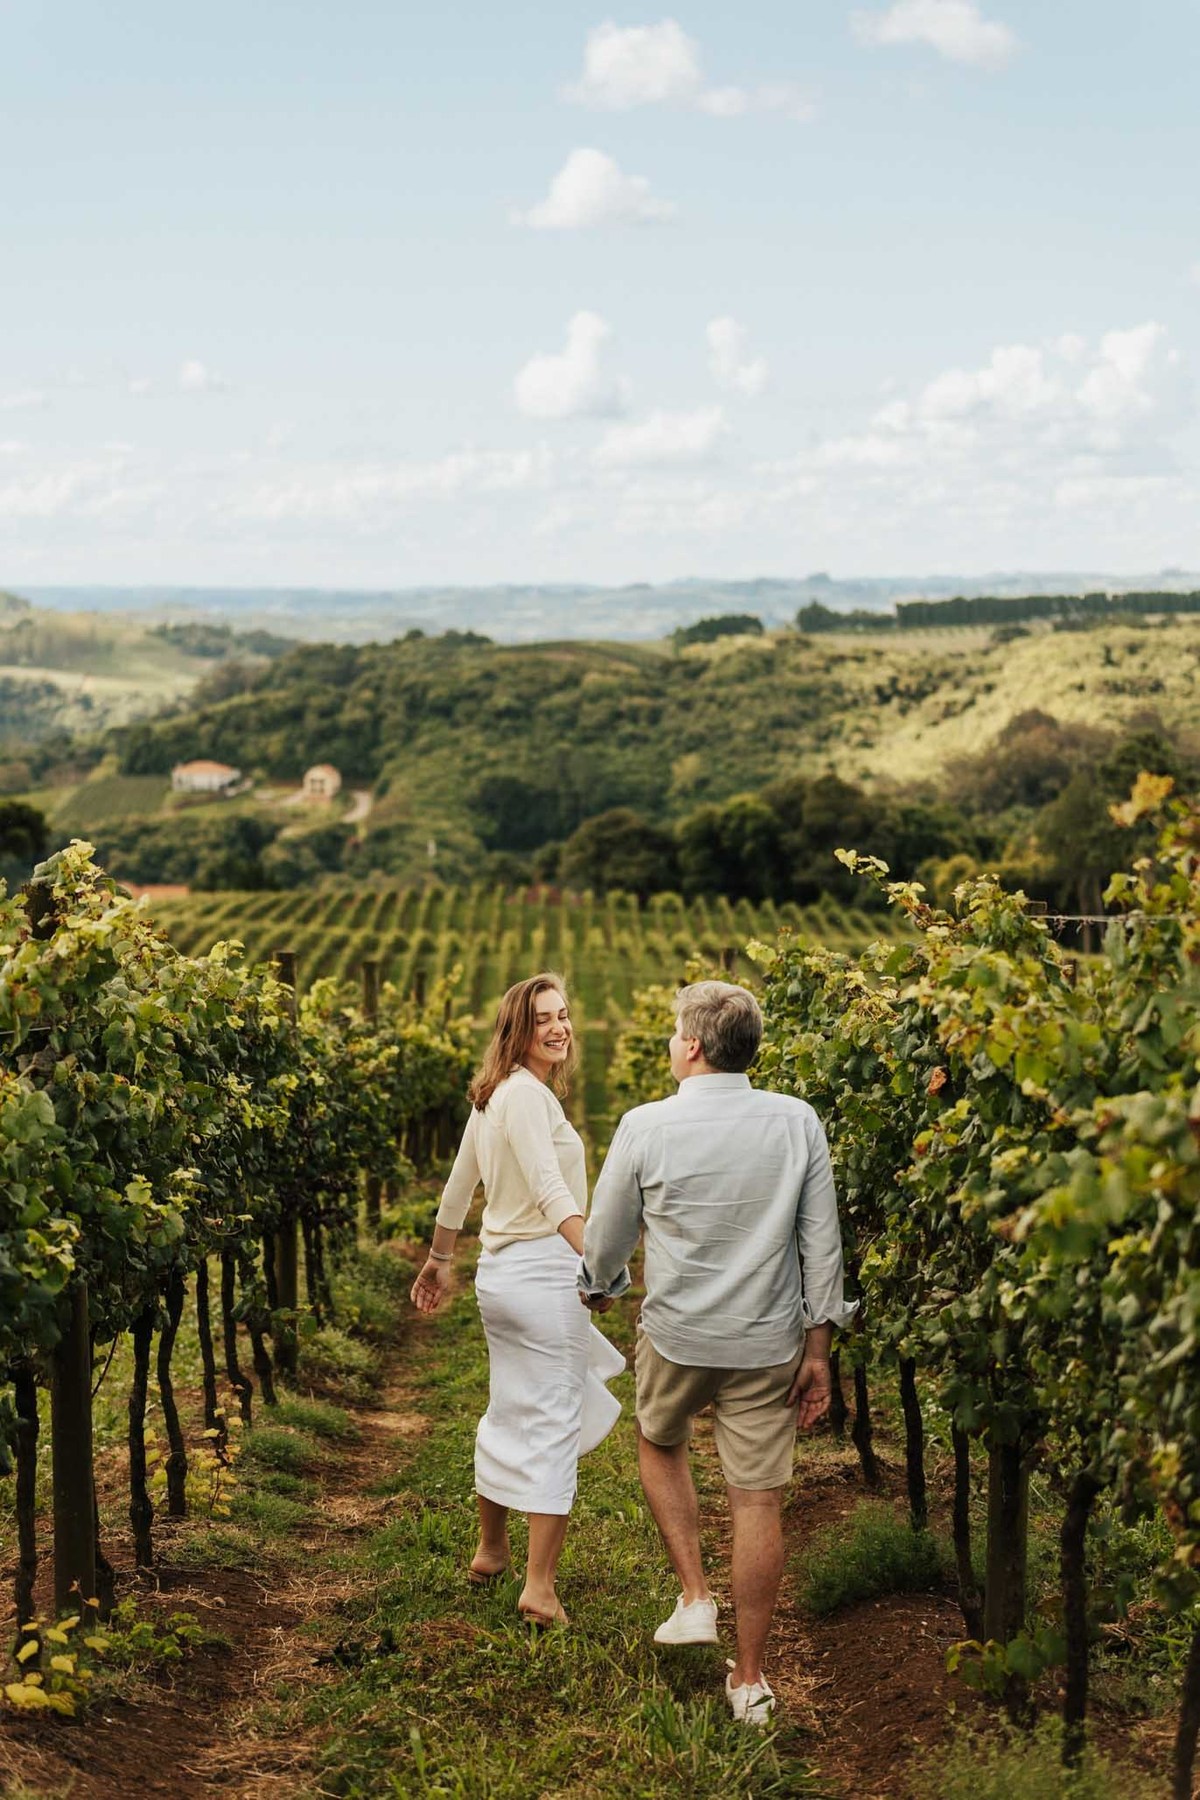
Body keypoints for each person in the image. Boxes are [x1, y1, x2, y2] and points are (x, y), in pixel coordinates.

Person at [579, 979, 856, 1725]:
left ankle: (696, 1595)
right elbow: (822, 1241)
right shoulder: (797, 1120)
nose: (672, 1044)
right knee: (758, 1500)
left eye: (676, 1034)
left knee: (658, 1438)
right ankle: (751, 1680)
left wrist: (600, 1285)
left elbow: (609, 1232)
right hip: (769, 1341)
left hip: (678, 1336)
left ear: (694, 1046)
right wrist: (819, 1347)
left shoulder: (645, 1125)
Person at [410, 971, 623, 1629]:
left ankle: (491, 1550)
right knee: (553, 1421)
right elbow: (551, 1192)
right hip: (542, 1276)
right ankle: (539, 1588)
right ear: (517, 1029)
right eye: (543, 1019)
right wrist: (600, 1265)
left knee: (508, 1408)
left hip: (499, 1278)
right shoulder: (526, 1096)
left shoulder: (495, 1092)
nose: (559, 1028)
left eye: (563, 1015)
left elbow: (458, 1188)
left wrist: (440, 1259)